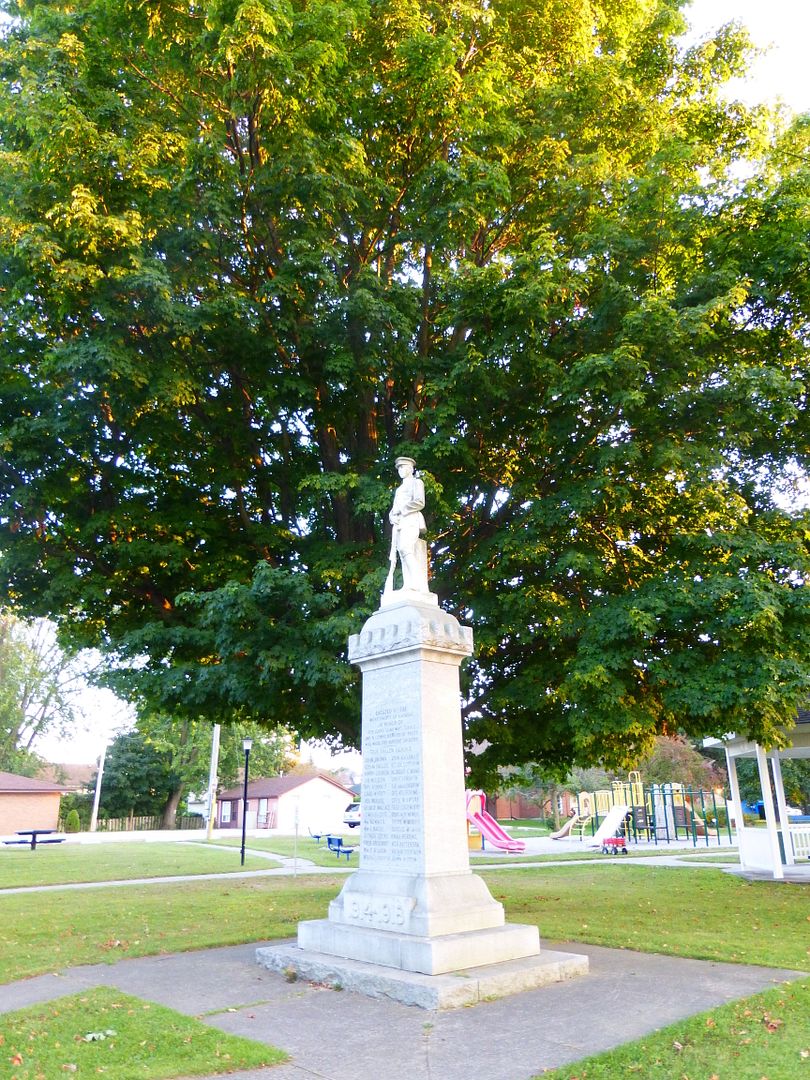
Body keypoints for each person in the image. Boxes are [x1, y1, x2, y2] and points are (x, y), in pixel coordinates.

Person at [384, 457, 429, 593]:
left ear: (410, 468)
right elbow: (394, 509)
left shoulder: (417, 483)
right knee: (403, 554)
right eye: (398, 468)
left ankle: (418, 583)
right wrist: (392, 516)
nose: (400, 471)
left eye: (402, 467)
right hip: (400, 524)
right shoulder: (399, 490)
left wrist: (402, 509)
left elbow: (420, 502)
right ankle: (409, 584)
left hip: (411, 520)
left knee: (405, 549)